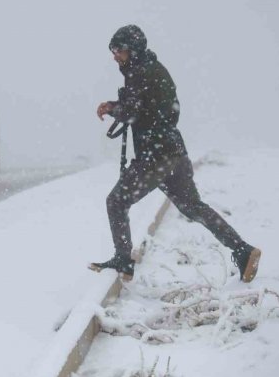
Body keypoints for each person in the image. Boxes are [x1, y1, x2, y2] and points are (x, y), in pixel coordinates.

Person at [90, 24, 261, 283]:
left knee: (116, 202)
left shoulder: (141, 73)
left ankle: (123, 260)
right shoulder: (155, 71)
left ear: (132, 49)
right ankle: (243, 250)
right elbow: (156, 110)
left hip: (154, 157)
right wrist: (122, 107)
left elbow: (133, 111)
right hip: (174, 154)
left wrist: (112, 108)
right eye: (113, 51)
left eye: (118, 50)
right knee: (193, 206)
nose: (115, 56)